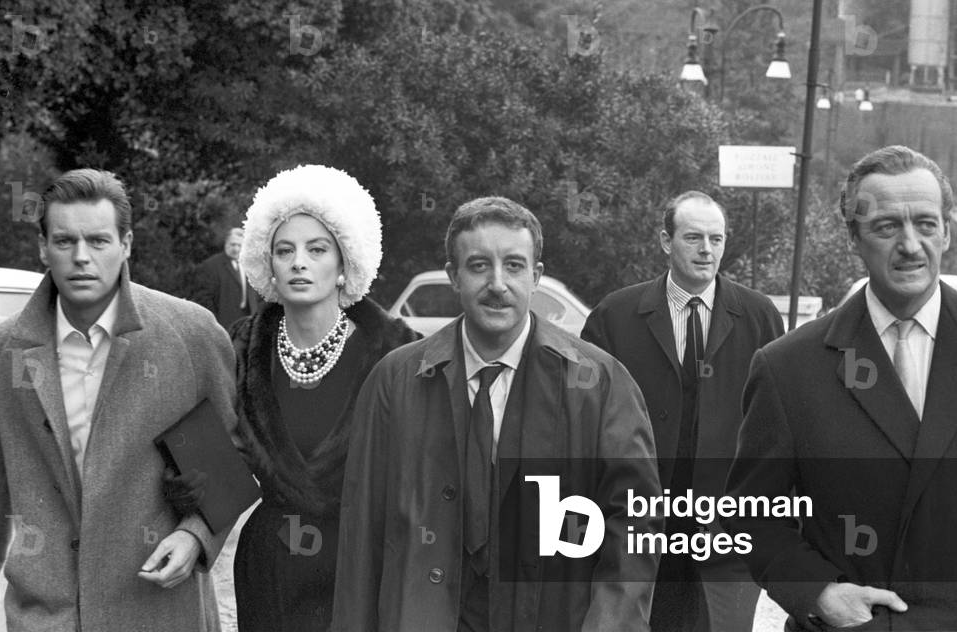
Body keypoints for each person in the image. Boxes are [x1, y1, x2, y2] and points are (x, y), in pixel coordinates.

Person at [724, 145, 957, 631]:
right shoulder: (787, 368)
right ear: (853, 237)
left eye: (925, 224)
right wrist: (819, 593)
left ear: (946, 231)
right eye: (887, 226)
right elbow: (749, 515)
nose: (910, 244)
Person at [335, 196, 662, 632]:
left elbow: (634, 522)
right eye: (478, 266)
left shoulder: (600, 383)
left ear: (536, 276)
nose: (497, 283)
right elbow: (362, 532)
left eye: (513, 265)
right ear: (453, 276)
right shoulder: (395, 381)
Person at [0, 169, 235, 631]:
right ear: (43, 249)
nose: (81, 257)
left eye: (99, 241)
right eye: (64, 241)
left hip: (160, 609)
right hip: (45, 616)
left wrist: (195, 536)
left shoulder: (191, 335)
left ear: (127, 244)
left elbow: (235, 454)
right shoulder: (5, 351)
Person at [224, 165, 417, 632]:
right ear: (266, 261)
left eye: (317, 249)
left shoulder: (396, 354)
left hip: (356, 565)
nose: (298, 263)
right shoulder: (242, 348)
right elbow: (220, 459)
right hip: (268, 566)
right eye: (284, 250)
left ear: (344, 260)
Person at [582, 191, 783, 632]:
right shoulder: (614, 317)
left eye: (716, 238)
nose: (706, 250)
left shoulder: (760, 317)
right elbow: (585, 423)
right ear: (664, 241)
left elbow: (775, 426)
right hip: (636, 515)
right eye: (693, 237)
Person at [194, 227, 262, 329]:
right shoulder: (211, 265)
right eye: (232, 244)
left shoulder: (250, 265)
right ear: (226, 243)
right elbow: (204, 298)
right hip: (223, 322)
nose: (236, 249)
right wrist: (213, 323)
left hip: (248, 321)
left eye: (240, 245)